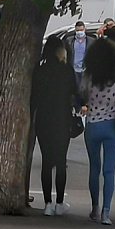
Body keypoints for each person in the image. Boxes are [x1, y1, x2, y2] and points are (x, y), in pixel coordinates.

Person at [80, 39, 115, 225]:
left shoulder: (88, 76)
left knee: (94, 168)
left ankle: (94, 207)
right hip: (112, 126)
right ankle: (106, 213)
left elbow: (83, 98)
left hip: (92, 125)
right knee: (109, 171)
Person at [30, 36, 78, 216]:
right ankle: (59, 203)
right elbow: (74, 92)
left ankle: (47, 204)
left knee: (46, 162)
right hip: (62, 119)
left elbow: (33, 97)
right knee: (60, 161)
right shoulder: (66, 70)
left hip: (43, 119)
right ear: (60, 50)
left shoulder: (39, 70)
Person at [66, 21, 96, 106]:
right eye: (78, 30)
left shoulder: (91, 41)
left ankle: (85, 105)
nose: (80, 32)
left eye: (81, 30)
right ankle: (76, 107)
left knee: (85, 90)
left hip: (85, 69)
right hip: (74, 69)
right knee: (75, 90)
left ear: (84, 29)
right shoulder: (69, 41)